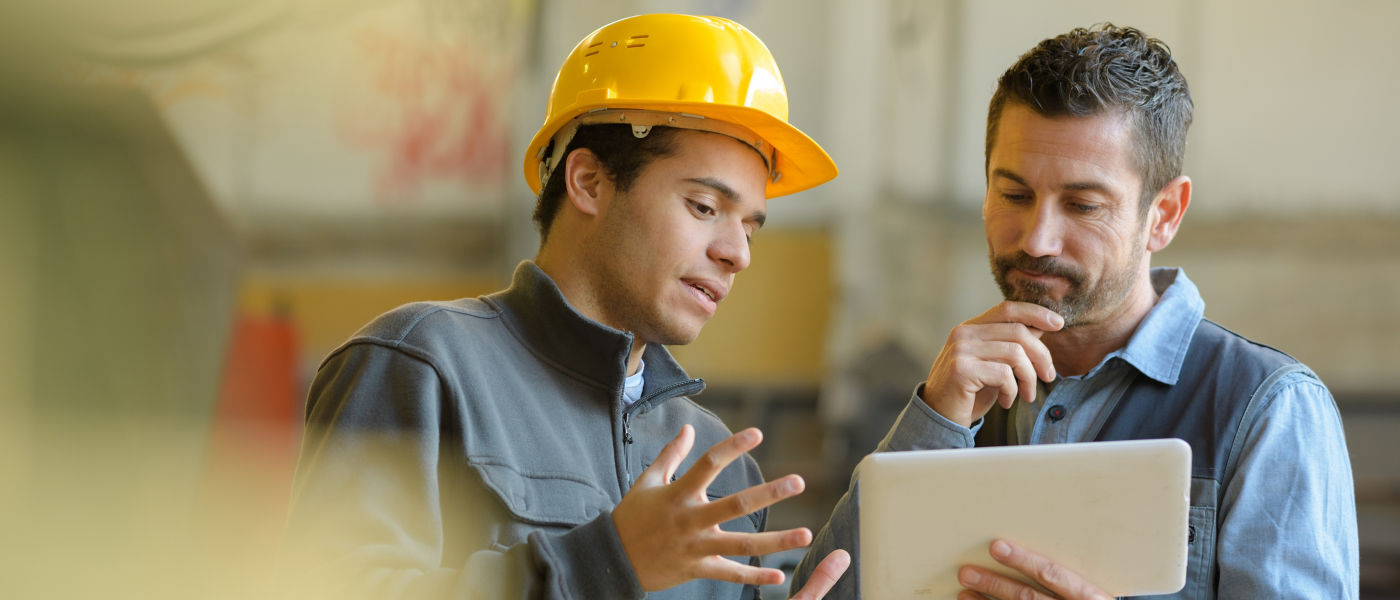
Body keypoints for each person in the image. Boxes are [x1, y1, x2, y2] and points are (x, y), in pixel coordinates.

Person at [278, 14, 850, 599]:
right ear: (589, 182)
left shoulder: (717, 462)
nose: (736, 254)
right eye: (704, 206)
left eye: (750, 230)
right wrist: (601, 565)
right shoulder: (423, 366)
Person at [792, 23, 1358, 599]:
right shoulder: (956, 400)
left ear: (1164, 214)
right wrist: (933, 424)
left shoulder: (1268, 410)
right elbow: (816, 594)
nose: (1037, 240)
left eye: (1083, 205)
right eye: (1013, 194)